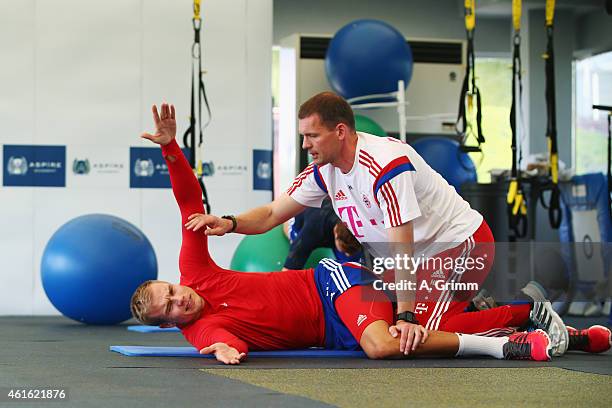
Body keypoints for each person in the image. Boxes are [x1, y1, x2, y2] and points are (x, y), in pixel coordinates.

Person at [130, 102, 558, 366]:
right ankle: (529, 318)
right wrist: (231, 222)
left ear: (339, 131)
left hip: (445, 248)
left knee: (405, 336)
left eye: (311, 135)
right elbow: (273, 213)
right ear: (168, 325)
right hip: (384, 277)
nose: (178, 298)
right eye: (169, 307)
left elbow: (401, 243)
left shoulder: (384, 165)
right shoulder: (322, 171)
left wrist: (170, 148)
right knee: (426, 334)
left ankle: (515, 330)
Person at [282, 197, 364, 270]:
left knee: (355, 265)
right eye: (345, 250)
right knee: (297, 244)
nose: (348, 253)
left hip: (334, 216)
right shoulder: (312, 231)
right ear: (336, 234)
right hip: (307, 218)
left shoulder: (363, 224)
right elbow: (287, 273)